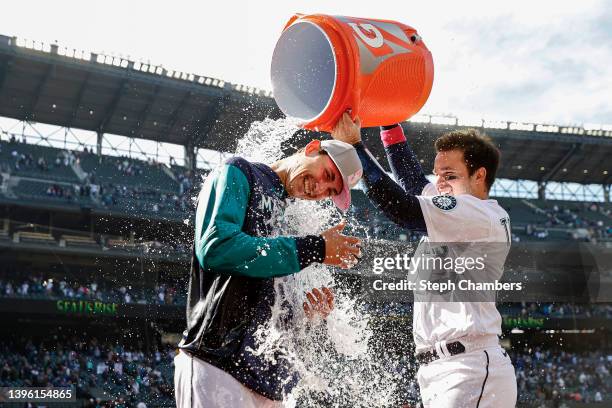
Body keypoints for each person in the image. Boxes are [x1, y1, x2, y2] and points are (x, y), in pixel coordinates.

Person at [332, 113, 517, 408]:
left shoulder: (480, 214)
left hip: (468, 367)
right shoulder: (459, 212)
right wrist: (389, 121)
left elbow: (400, 207)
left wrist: (355, 145)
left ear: (479, 176)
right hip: (440, 369)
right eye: (439, 174)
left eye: (450, 175)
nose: (440, 183)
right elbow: (413, 182)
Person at [175, 139, 363, 407]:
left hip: (266, 383)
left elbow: (267, 302)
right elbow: (216, 248)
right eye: (327, 175)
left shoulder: (289, 215)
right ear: (311, 148)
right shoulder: (240, 171)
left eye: (329, 191)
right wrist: (315, 248)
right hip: (218, 362)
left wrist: (307, 318)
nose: (319, 189)